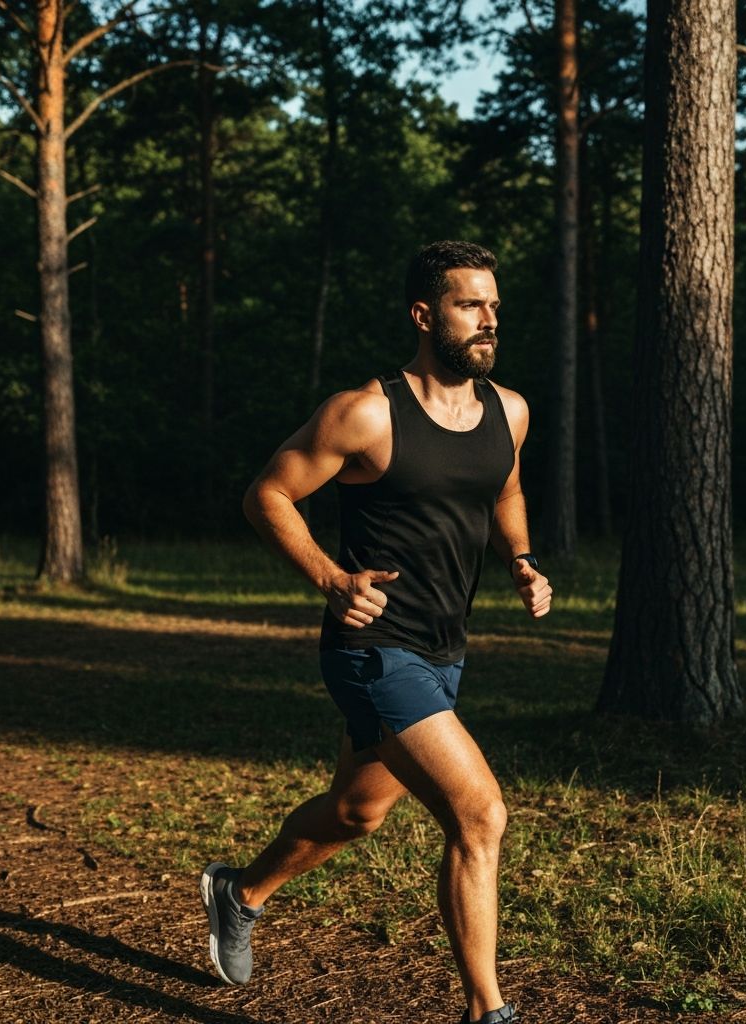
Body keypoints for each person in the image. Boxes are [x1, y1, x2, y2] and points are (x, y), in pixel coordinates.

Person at [200, 240, 552, 1024]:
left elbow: (506, 487)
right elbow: (268, 495)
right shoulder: (367, 412)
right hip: (372, 649)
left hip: (443, 647)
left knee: (358, 811)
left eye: (494, 304)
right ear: (425, 316)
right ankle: (486, 1011)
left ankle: (240, 890)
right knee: (480, 814)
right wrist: (330, 579)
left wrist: (521, 560)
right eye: (471, 305)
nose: (489, 320)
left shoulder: (510, 410)